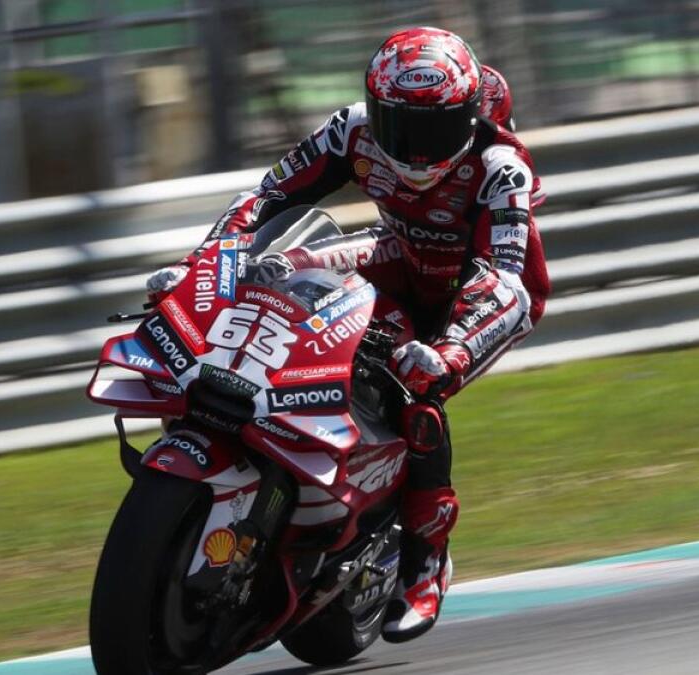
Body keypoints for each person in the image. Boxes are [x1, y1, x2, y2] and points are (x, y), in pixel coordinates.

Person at [147, 27, 550, 642]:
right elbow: (268, 196)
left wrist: (452, 349)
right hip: (399, 256)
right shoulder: (350, 131)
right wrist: (204, 265)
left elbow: (508, 282)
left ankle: (425, 561)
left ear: (468, 120)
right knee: (279, 277)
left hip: (472, 295)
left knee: (415, 395)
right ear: (375, 111)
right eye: (401, 129)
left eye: (434, 133)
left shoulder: (499, 170)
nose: (415, 154)